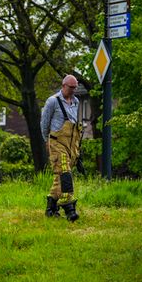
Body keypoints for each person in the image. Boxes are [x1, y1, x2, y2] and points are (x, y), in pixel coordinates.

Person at [40, 74, 86, 222]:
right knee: (65, 172)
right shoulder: (52, 101)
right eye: (71, 87)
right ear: (63, 85)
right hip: (56, 142)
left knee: (59, 176)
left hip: (70, 144)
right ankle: (69, 209)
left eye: (75, 88)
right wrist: (46, 141)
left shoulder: (76, 101)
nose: (73, 90)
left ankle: (51, 208)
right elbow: (44, 123)